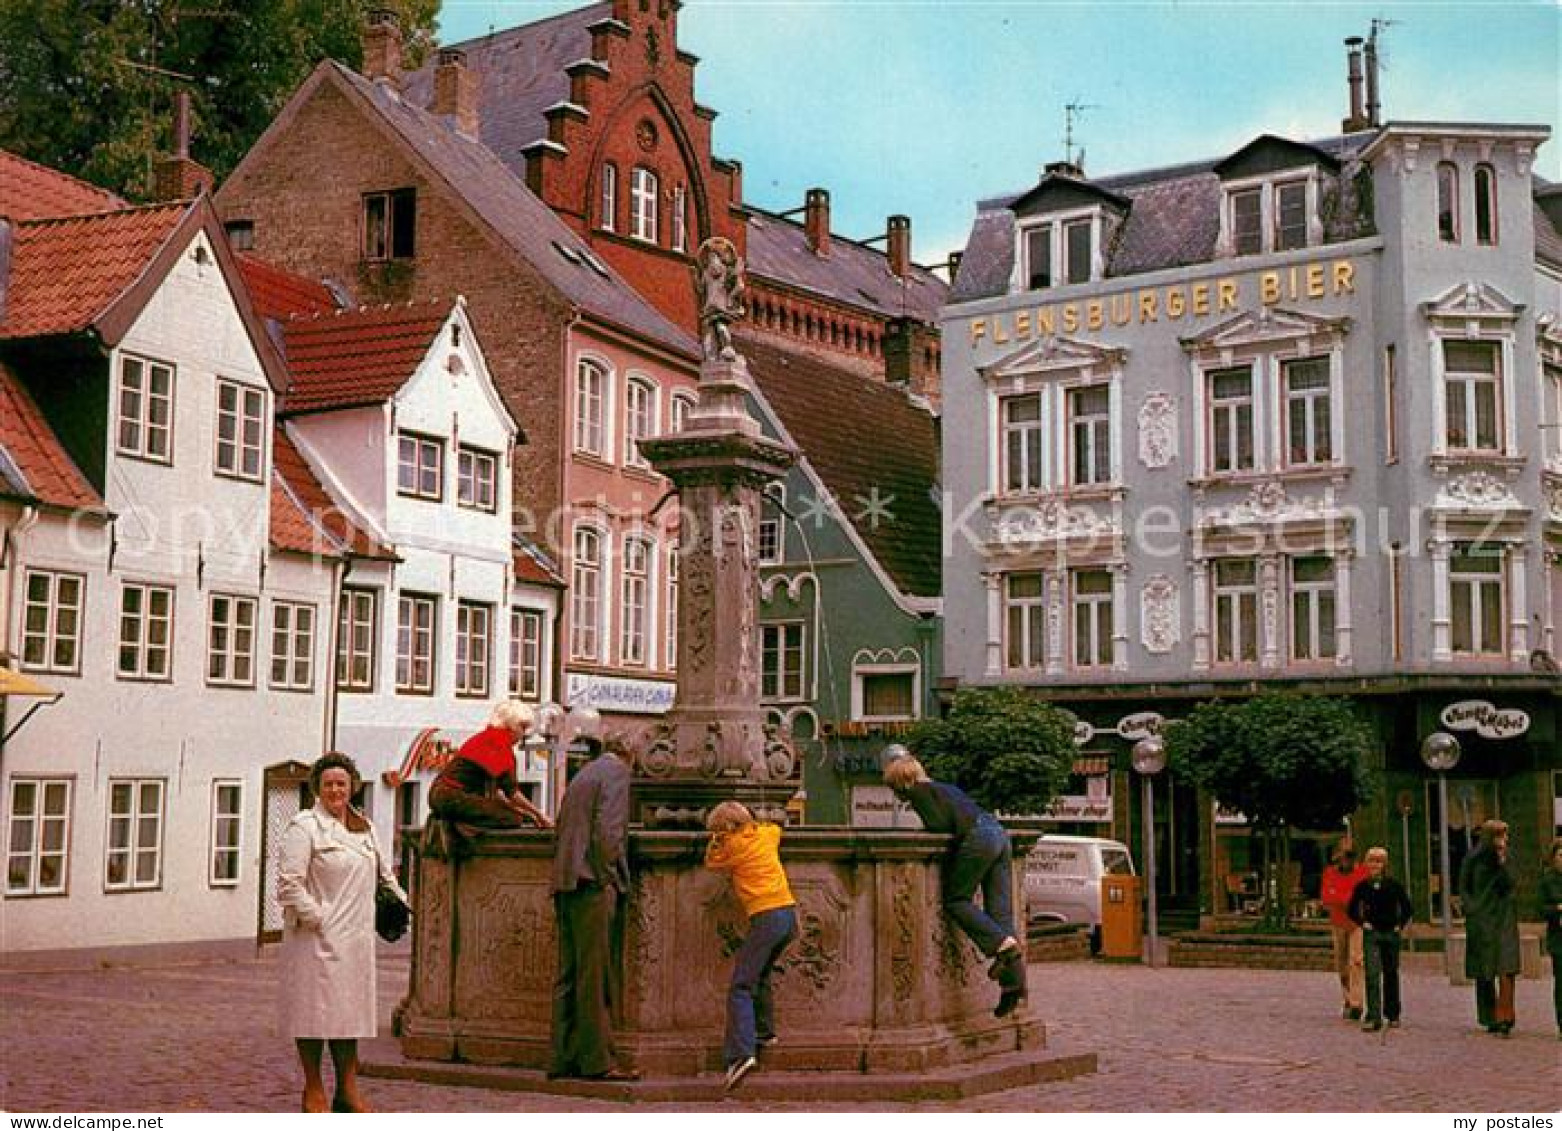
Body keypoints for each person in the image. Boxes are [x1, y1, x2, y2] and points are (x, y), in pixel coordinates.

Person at [277, 752, 405, 1113]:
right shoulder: (304, 828)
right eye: (329, 783)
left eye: (342, 783)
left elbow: (385, 873)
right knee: (314, 1015)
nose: (336, 790)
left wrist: (402, 904)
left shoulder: (364, 826)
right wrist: (318, 918)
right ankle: (313, 1087)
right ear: (317, 787)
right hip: (315, 940)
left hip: (356, 940)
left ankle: (348, 1090)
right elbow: (289, 884)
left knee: (350, 1016)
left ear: (353, 787)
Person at [883, 754, 1026, 1017]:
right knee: (1001, 914)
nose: (896, 795)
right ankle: (1014, 987)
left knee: (956, 900)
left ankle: (999, 944)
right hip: (998, 834)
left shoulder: (919, 793)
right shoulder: (944, 787)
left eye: (893, 788)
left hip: (979, 839)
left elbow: (938, 826)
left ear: (902, 782)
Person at [549, 732, 638, 1081]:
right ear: (629, 755)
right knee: (595, 974)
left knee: (569, 974)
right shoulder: (616, 774)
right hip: (591, 884)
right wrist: (611, 877)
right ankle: (598, 1060)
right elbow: (609, 833)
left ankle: (561, 1056)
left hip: (567, 879)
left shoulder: (585, 773)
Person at [704, 801, 798, 1092]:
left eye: (718, 830)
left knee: (741, 986)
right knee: (761, 974)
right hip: (788, 915)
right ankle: (765, 1033)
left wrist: (716, 841)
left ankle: (741, 1054)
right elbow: (776, 829)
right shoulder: (764, 836)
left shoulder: (730, 847)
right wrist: (758, 822)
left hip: (765, 917)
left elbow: (711, 862)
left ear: (726, 830)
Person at [429, 699, 552, 829]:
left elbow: (499, 795)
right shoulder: (501, 746)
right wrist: (539, 816)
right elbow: (512, 794)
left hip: (439, 795)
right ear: (513, 727)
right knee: (510, 819)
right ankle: (466, 834)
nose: (523, 734)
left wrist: (528, 814)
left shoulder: (484, 737)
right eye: (523, 728)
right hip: (454, 798)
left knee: (504, 813)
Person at [1459, 818, 1521, 1036]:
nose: (1503, 840)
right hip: (1481, 918)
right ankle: (1489, 1016)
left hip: (1504, 916)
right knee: (1484, 969)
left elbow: (1512, 882)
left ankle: (1505, 1016)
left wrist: (1503, 861)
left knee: (1506, 967)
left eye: (1505, 835)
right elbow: (1463, 886)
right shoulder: (1473, 858)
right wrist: (1471, 908)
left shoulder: (1508, 857)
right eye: (1498, 835)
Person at [1346, 846, 1413, 1033]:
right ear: (1367, 864)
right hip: (1372, 933)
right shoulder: (1362, 887)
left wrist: (1400, 924)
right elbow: (1351, 908)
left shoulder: (1393, 885)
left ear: (1384, 865)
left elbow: (1407, 907)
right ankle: (1373, 1016)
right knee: (1372, 974)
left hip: (1391, 933)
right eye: (1372, 861)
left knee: (1391, 973)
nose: (1375, 865)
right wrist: (1362, 922)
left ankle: (1392, 1014)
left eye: (1379, 861)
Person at [1320, 838, 1369, 1021]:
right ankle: (1347, 997)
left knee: (1356, 960)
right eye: (1343, 857)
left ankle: (1357, 1003)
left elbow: (1360, 897)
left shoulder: (1362, 873)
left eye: (1349, 856)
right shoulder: (1330, 873)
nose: (1346, 861)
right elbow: (1326, 897)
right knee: (1341, 964)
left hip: (1357, 922)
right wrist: (1345, 898)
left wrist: (1340, 897)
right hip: (1338, 922)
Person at [1540, 837, 1562, 1040]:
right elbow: (1541, 909)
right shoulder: (1548, 880)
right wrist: (1557, 909)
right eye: (1561, 855)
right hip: (1559, 939)